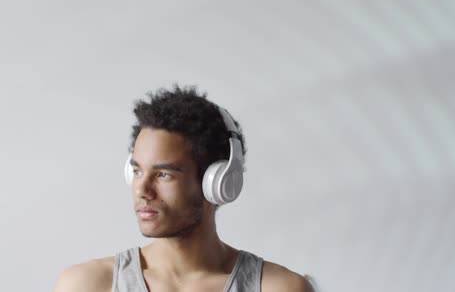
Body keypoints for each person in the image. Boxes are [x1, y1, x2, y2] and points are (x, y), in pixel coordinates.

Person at [52, 85, 313, 292]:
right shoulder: (86, 286)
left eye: (164, 174)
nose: (142, 189)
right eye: (137, 171)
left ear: (217, 182)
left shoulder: (278, 288)